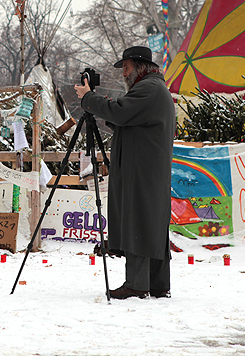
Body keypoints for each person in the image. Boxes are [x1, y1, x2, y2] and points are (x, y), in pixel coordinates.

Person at [74, 46, 175, 300]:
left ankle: (138, 284)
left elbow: (120, 112)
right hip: (148, 168)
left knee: (140, 220)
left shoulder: (148, 89)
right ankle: (157, 284)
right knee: (151, 222)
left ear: (139, 66)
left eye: (126, 67)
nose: (124, 74)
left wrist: (88, 99)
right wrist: (104, 111)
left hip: (142, 169)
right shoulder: (154, 88)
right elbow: (127, 118)